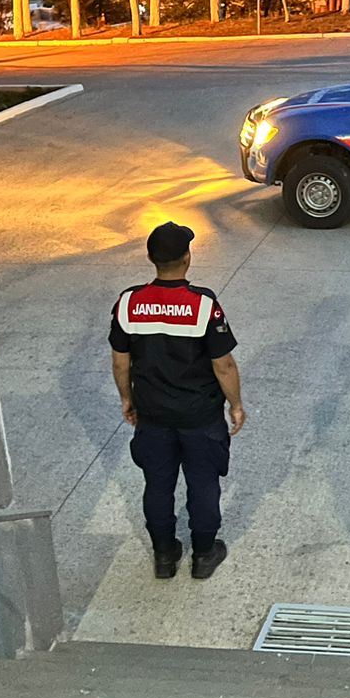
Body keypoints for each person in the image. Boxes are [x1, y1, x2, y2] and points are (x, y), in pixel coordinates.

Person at [109, 221, 246, 580]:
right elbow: (224, 364)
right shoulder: (202, 305)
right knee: (203, 483)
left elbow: (120, 361)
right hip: (199, 416)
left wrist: (127, 399)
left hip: (152, 414)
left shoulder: (128, 304)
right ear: (186, 259)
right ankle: (203, 555)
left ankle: (164, 556)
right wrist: (235, 405)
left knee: (157, 485)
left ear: (152, 259)